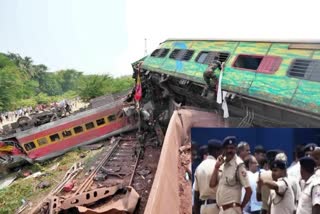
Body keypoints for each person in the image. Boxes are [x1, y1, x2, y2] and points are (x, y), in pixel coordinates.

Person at [210, 136, 252, 214]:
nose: (230, 151)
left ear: (235, 149)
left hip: (232, 209)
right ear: (223, 150)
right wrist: (216, 167)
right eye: (227, 148)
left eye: (232, 148)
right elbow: (212, 184)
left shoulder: (239, 165)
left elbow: (249, 190)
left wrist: (240, 207)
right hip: (222, 210)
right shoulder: (222, 164)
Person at [194, 139, 222, 214]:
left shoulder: (199, 167)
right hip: (217, 208)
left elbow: (196, 194)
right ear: (217, 151)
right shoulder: (219, 166)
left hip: (203, 208)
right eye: (221, 151)